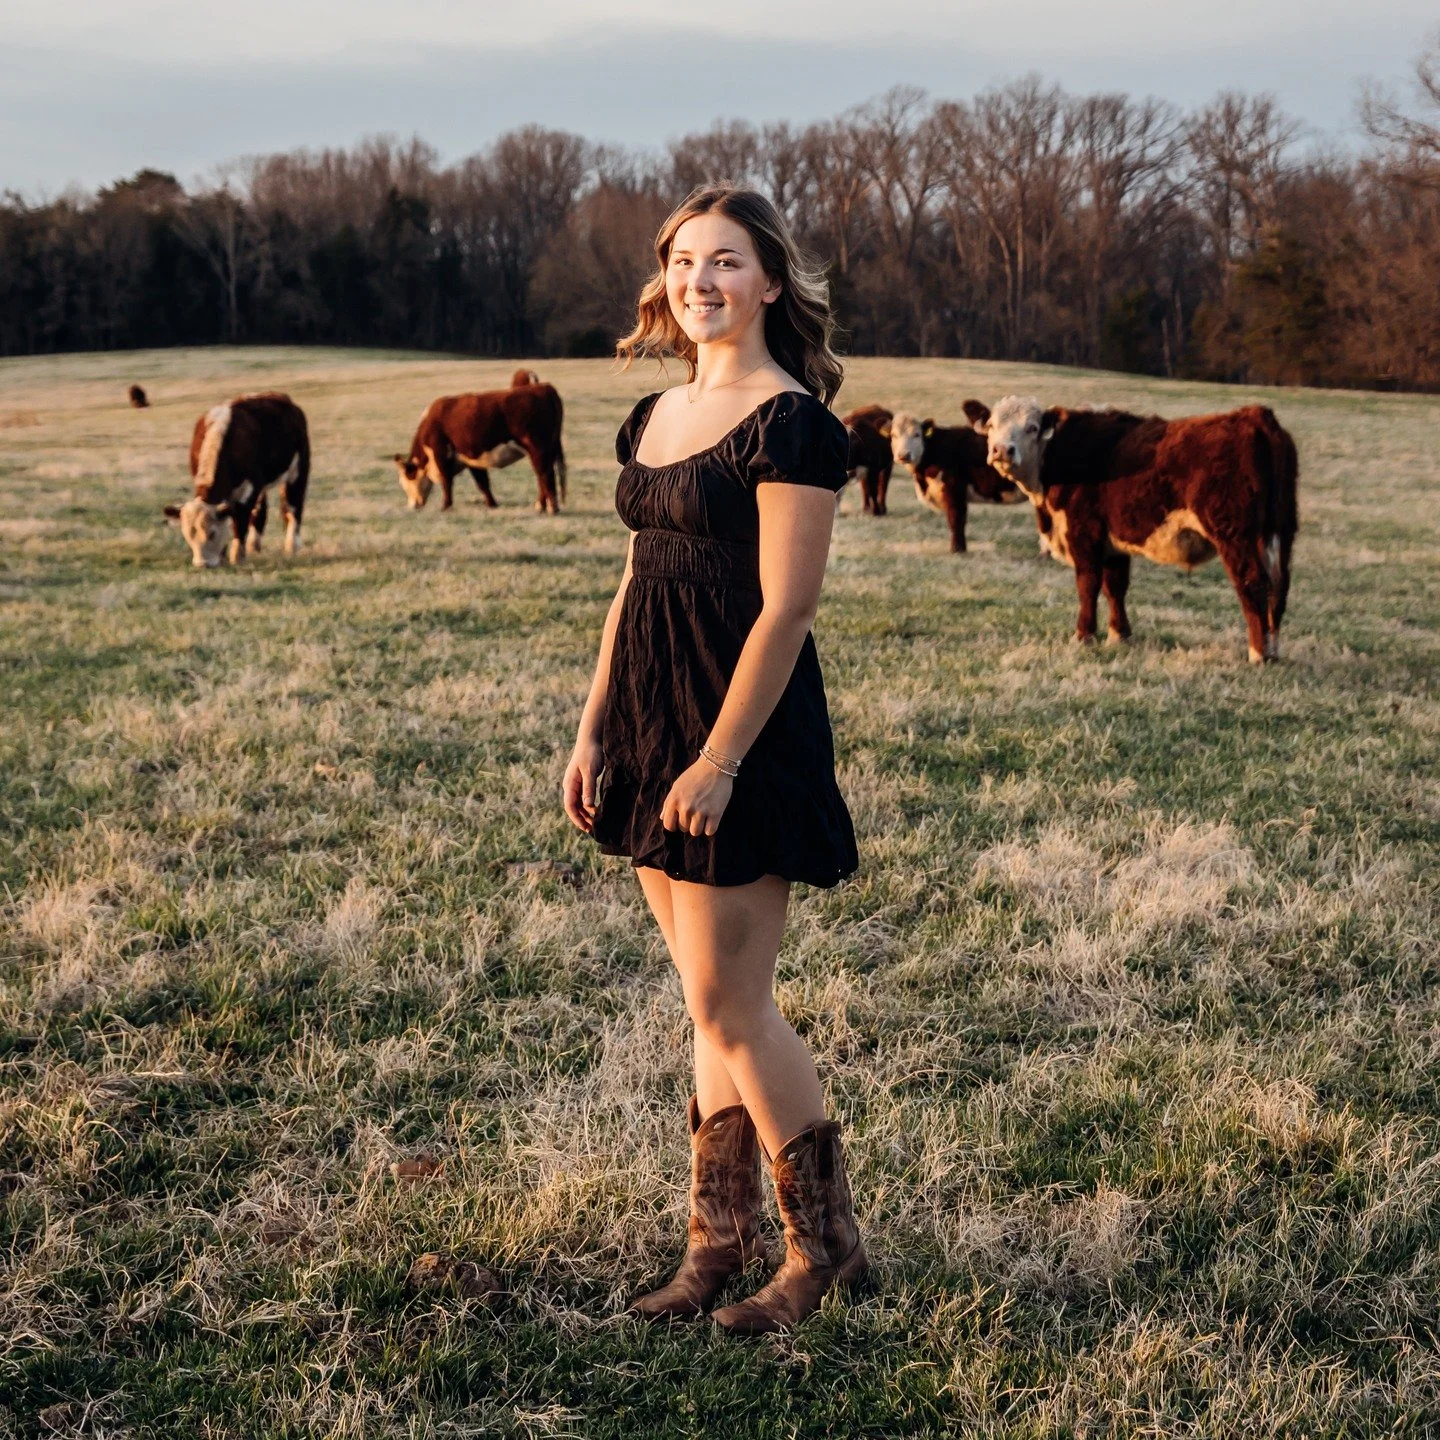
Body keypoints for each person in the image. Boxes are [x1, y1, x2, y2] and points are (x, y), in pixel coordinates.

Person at [561, 183, 867, 1335]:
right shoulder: (655, 414)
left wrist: (722, 759)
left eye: (727, 261)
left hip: (741, 731)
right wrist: (597, 726)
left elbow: (788, 609)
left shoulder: (792, 425)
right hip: (651, 721)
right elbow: (635, 581)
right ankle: (716, 1244)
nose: (701, 281)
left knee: (731, 1003)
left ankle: (823, 1252)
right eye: (685, 260)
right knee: (706, 1005)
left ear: (772, 281)